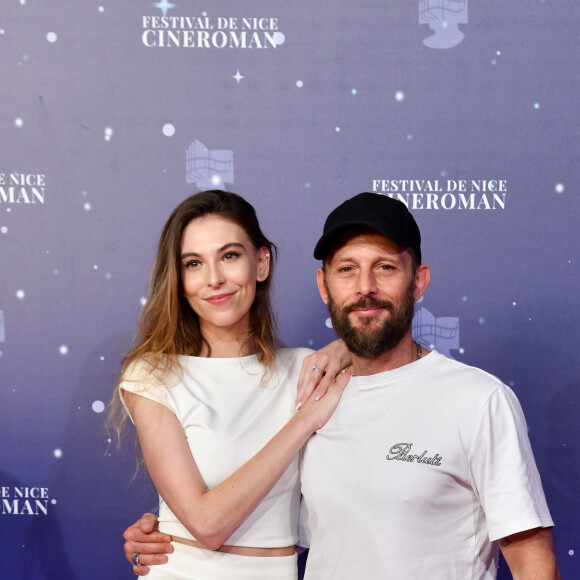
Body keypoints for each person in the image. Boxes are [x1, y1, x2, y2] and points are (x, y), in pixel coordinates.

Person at [124, 192, 560, 579]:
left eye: (385, 267)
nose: (364, 287)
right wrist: (168, 529)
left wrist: (345, 348)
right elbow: (226, 520)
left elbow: (531, 559)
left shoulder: (472, 398)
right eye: (347, 270)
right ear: (324, 285)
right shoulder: (316, 390)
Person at [109, 189, 351, 579]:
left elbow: (399, 360)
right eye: (193, 263)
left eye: (230, 256)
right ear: (179, 280)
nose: (215, 279)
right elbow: (207, 525)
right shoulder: (152, 375)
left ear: (261, 262)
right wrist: (303, 422)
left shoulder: (307, 368)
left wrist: (348, 348)